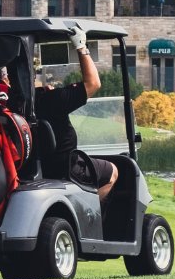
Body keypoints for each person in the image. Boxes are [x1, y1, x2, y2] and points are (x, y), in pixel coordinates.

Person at [33, 25, 118, 204]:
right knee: (112, 171)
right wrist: (81, 46)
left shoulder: (13, 102)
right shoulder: (51, 99)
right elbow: (93, 83)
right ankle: (89, 216)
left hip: (35, 167)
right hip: (65, 167)